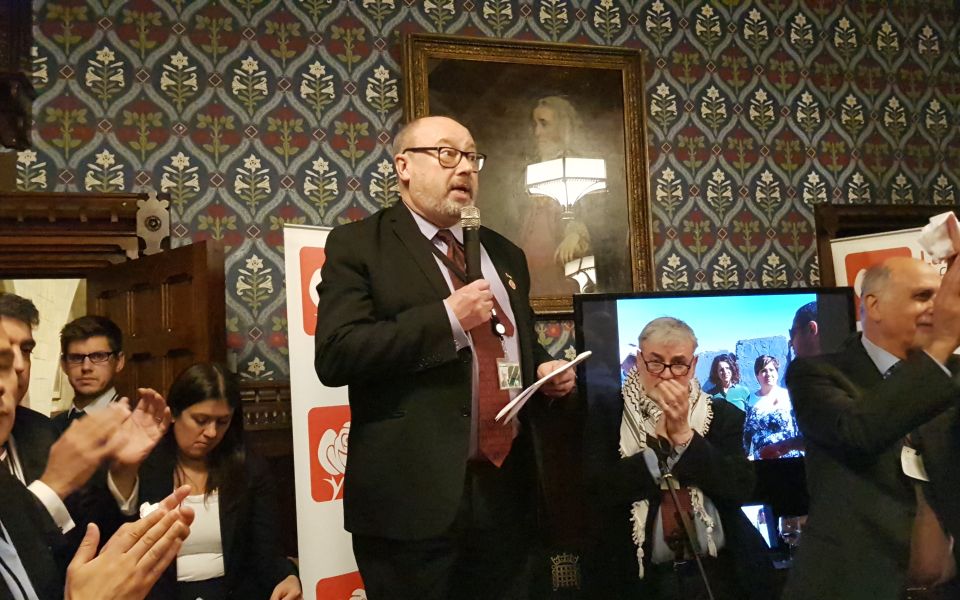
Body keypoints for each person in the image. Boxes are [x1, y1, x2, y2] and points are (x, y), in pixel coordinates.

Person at [314, 115, 575, 599]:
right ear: (403, 167)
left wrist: (543, 366)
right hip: (413, 503)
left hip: (507, 492)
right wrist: (447, 319)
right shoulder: (359, 245)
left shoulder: (504, 253)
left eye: (472, 157)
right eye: (447, 154)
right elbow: (336, 355)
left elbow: (515, 343)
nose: (465, 169)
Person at [783, 256, 960, 599]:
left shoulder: (953, 374)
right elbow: (859, 432)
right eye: (923, 296)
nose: (937, 309)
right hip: (854, 587)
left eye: (943, 297)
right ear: (873, 306)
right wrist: (941, 345)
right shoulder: (816, 375)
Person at [581, 317, 774, 599]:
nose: (667, 375)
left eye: (679, 363)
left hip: (717, 571)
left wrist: (685, 437)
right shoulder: (608, 413)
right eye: (656, 363)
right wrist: (656, 452)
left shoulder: (722, 416)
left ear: (693, 365)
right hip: (635, 576)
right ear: (639, 360)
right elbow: (595, 492)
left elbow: (740, 487)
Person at [0, 308, 186, 600]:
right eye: (3, 359)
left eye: (25, 350)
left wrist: (123, 472)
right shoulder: (55, 428)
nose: (20, 366)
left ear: (119, 361)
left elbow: (95, 530)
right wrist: (51, 489)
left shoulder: (41, 431)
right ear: (64, 364)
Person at [108, 362, 301, 600]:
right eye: (200, 420)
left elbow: (266, 551)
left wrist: (288, 576)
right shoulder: (147, 464)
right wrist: (124, 471)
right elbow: (115, 533)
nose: (211, 432)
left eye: (222, 422)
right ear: (175, 413)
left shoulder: (249, 468)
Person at [53, 315, 126, 434]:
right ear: (64, 365)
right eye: (76, 358)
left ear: (119, 362)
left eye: (98, 356)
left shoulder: (137, 424)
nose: (86, 367)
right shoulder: (50, 428)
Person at [742, 356, 802, 460]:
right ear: (757, 375)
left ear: (777, 373)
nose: (768, 374)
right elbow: (746, 435)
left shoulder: (789, 396)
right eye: (763, 371)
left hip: (790, 460)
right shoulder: (750, 400)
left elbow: (800, 429)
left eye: (771, 370)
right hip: (762, 462)